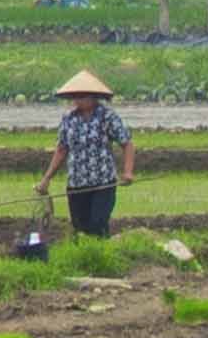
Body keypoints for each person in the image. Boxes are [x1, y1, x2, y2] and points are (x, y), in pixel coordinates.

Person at [34, 73, 139, 238]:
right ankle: (85, 258)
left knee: (97, 224)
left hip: (102, 183)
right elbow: (62, 149)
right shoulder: (68, 119)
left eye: (82, 96)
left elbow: (127, 143)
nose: (78, 100)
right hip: (76, 183)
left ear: (94, 97)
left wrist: (128, 172)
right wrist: (47, 178)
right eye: (75, 96)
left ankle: (101, 257)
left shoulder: (107, 116)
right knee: (80, 228)